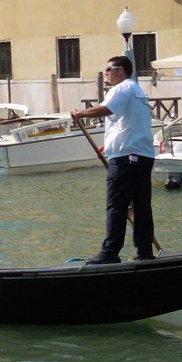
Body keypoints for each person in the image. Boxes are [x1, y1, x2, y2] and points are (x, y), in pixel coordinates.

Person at [70, 55, 157, 264]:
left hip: (126, 159)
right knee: (141, 206)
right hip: (141, 156)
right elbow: (129, 124)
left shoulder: (122, 88)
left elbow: (106, 109)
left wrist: (80, 113)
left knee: (116, 206)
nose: (106, 73)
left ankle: (110, 252)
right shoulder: (136, 90)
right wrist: (108, 147)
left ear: (121, 70)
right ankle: (144, 252)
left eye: (109, 68)